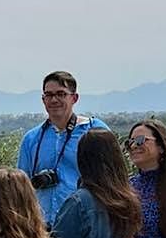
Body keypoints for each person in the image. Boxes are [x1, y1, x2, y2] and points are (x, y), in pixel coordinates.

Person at [17, 70, 109, 227]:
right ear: (43, 99)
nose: (54, 100)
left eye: (61, 94)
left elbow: (113, 179)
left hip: (86, 223)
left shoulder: (94, 130)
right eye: (49, 95)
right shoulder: (32, 139)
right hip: (43, 228)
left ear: (74, 98)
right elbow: (21, 187)